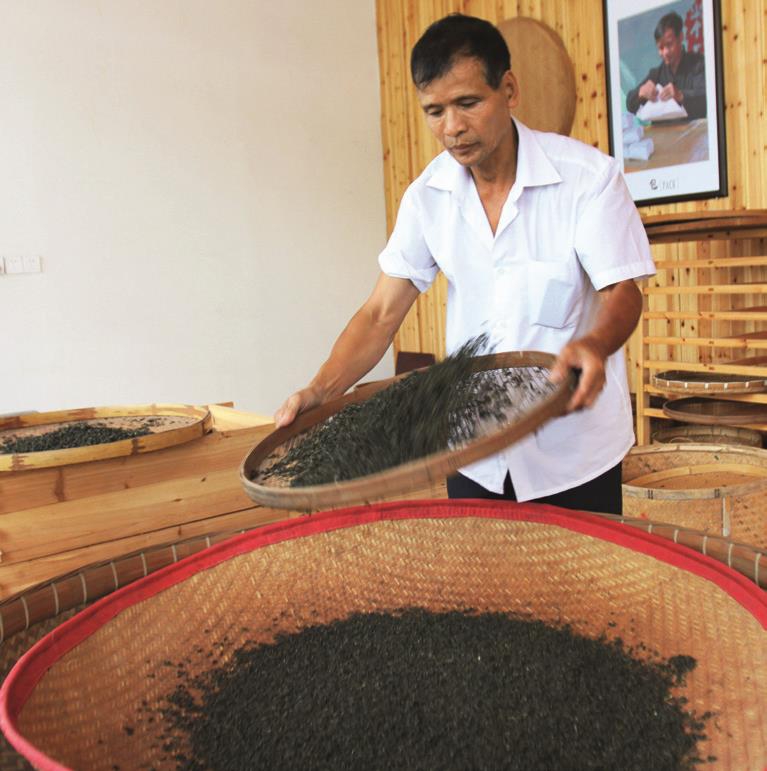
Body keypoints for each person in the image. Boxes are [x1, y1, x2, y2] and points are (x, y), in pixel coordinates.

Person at [275, 13, 655, 515]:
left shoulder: (588, 180)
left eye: (467, 103)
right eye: (434, 111)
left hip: (573, 454)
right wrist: (320, 390)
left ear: (509, 90)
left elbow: (623, 292)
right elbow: (379, 315)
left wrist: (595, 344)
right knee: (479, 592)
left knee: (581, 591)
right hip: (472, 453)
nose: (451, 127)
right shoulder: (427, 198)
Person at [626, 12, 706, 120]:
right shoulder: (656, 74)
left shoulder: (698, 64)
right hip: (662, 135)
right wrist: (641, 92)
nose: (665, 52)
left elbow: (707, 98)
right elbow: (629, 104)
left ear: (681, 37)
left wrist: (680, 95)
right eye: (660, 48)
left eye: (669, 45)